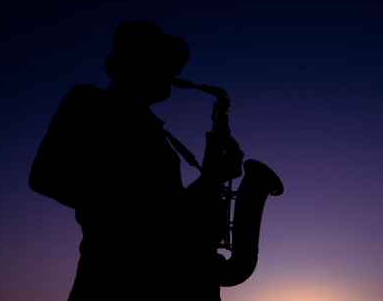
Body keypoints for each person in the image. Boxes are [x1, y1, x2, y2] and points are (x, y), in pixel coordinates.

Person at [29, 20, 244, 301]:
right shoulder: (90, 101)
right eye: (163, 61)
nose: (174, 71)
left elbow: (171, 209)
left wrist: (211, 177)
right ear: (136, 63)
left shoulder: (156, 131)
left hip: (169, 280)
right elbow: (45, 177)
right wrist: (139, 216)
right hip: (113, 279)